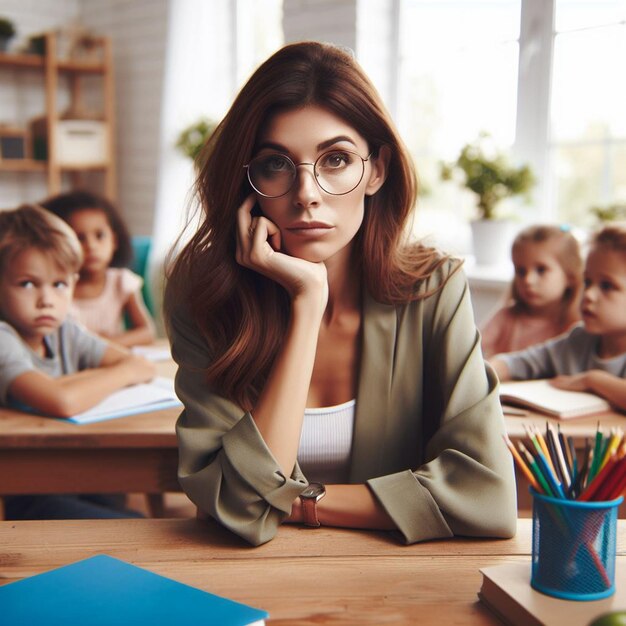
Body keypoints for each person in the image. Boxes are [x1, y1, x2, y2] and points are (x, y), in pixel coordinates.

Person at [164, 41, 516, 546]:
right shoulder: (204, 298)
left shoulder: (434, 290)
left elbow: (487, 496)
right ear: (247, 181)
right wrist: (308, 305)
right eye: (275, 163)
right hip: (245, 583)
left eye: (335, 159)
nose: (306, 192)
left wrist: (301, 500)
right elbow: (242, 510)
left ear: (376, 170)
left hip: (398, 590)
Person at [0, 204, 156, 519]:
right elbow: (63, 402)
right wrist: (122, 372)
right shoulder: (3, 337)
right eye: (28, 283)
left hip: (79, 467)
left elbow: (138, 364)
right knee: (138, 527)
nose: (46, 299)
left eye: (59, 284)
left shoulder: (63, 330)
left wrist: (123, 369)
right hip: (29, 492)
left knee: (122, 493)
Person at [491, 222, 626, 411]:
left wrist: (592, 380)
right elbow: (520, 362)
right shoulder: (578, 340)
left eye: (607, 286)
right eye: (587, 282)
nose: (588, 294)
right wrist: (489, 369)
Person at [41, 190, 156, 348]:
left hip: (111, 362)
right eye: (80, 238)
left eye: (100, 235)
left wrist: (100, 345)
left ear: (114, 241)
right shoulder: (56, 287)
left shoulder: (121, 281)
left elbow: (147, 333)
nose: (91, 246)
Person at [480, 225, 583, 358]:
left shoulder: (576, 327)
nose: (528, 280)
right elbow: (469, 348)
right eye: (520, 271)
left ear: (570, 276)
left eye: (541, 270)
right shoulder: (505, 316)